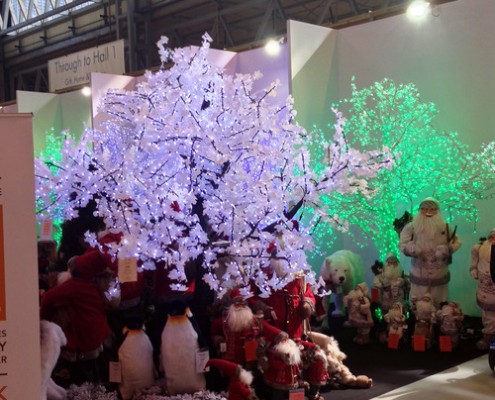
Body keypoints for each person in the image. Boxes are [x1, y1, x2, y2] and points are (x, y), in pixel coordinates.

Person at [398, 197, 461, 308]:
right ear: (420, 210)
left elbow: (456, 241)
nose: (428, 212)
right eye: (425, 209)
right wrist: (410, 248)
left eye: (432, 209)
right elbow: (402, 243)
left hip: (439, 273)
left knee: (439, 302)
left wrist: (447, 249)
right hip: (419, 272)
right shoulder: (411, 227)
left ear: (437, 211)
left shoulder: (445, 227)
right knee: (418, 302)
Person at [470, 228, 495, 350]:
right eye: (492, 237)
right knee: (488, 314)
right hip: (486, 289)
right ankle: (488, 337)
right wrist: (473, 270)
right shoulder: (479, 248)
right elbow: (474, 263)